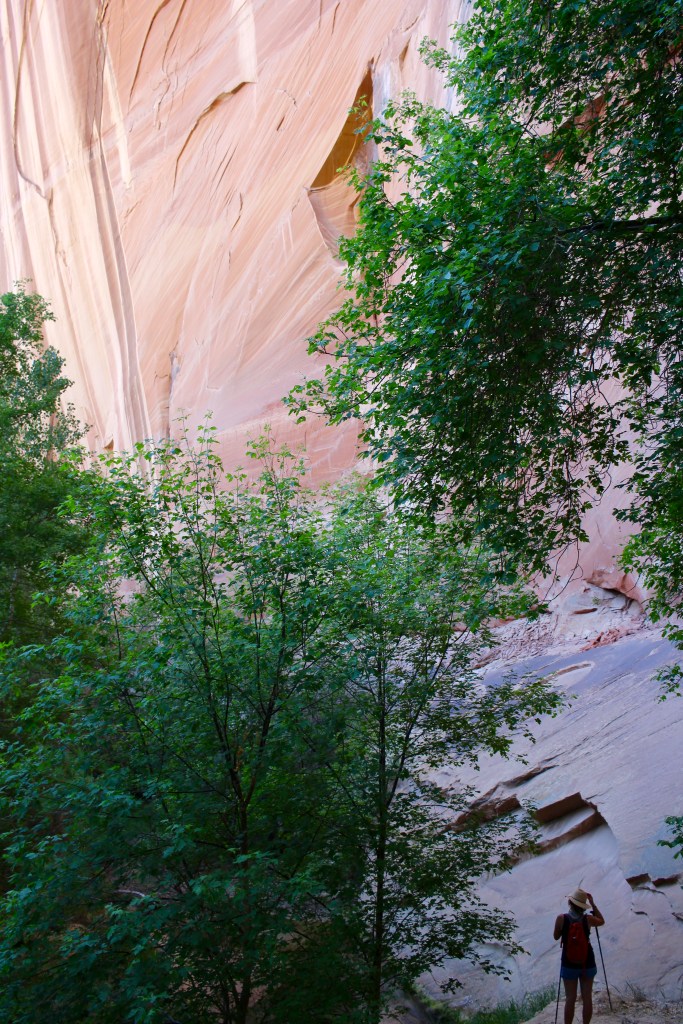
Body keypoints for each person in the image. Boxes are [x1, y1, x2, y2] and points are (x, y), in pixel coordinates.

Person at [553, 887, 605, 1024]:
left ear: (570, 902)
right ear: (583, 906)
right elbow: (602, 921)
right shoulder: (588, 919)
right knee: (587, 997)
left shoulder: (561, 918)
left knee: (570, 998)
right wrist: (593, 904)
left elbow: (555, 937)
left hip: (568, 962)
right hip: (587, 961)